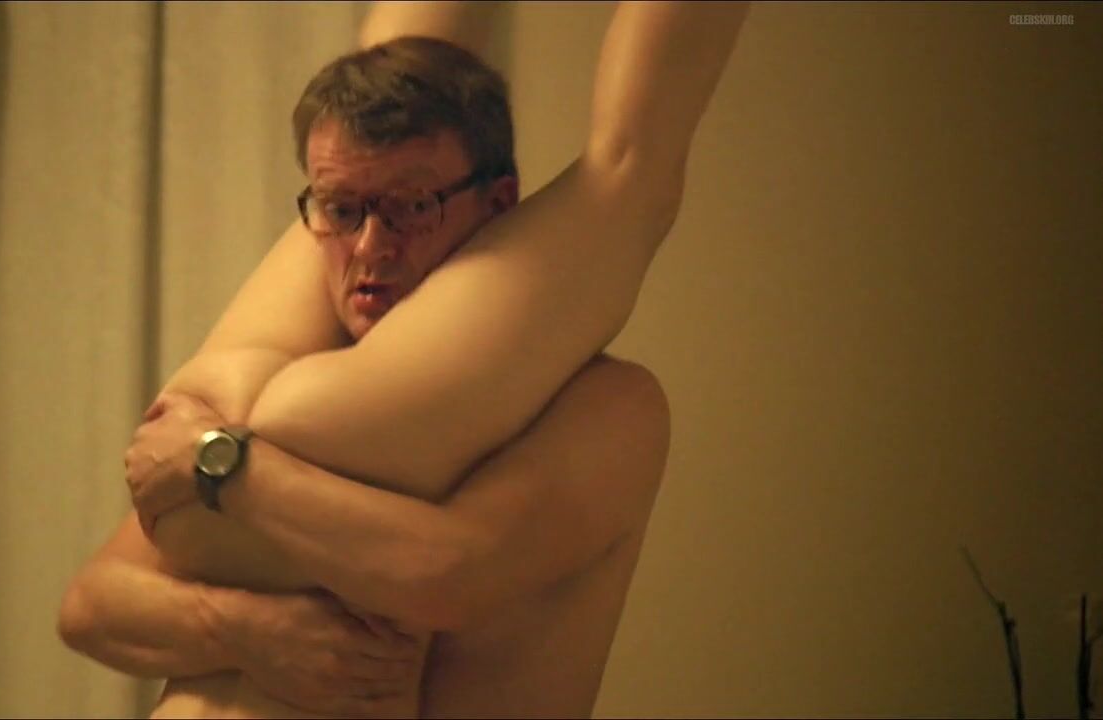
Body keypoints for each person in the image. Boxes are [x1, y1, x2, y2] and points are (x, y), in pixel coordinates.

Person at [58, 2, 748, 717]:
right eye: (340, 211)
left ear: (498, 205)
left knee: (629, 176)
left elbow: (445, 574)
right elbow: (90, 605)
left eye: (413, 207)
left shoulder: (609, 406)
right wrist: (245, 630)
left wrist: (223, 467)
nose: (370, 248)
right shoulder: (264, 401)